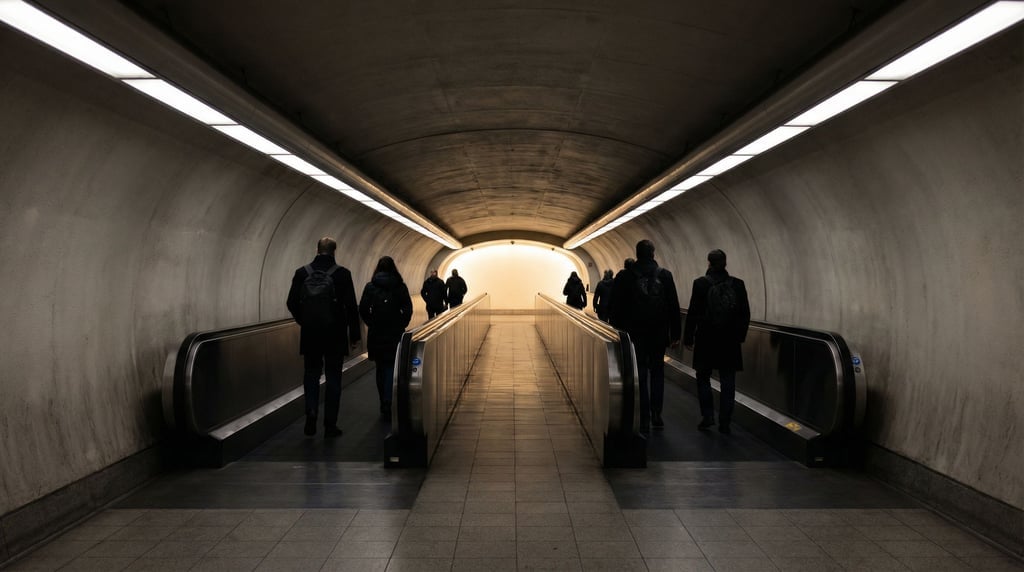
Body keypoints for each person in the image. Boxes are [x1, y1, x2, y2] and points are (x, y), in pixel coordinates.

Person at [286, 237, 361, 438]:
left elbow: (291, 302)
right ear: (334, 251)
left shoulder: (302, 273)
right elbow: (352, 307)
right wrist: (354, 335)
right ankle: (330, 425)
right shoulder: (343, 274)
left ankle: (311, 410)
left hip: (311, 334)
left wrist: (305, 321)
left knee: (311, 373)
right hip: (335, 334)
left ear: (317, 249)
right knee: (334, 376)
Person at [610, 241, 681, 433]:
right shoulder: (665, 275)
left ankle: (643, 415)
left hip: (635, 333)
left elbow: (616, 306)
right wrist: (675, 334)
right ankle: (657, 414)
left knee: (639, 372)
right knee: (657, 372)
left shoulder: (625, 276)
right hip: (658, 333)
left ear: (637, 254)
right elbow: (674, 306)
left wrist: (616, 330)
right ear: (653, 253)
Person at [683, 249, 751, 434]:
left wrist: (688, 337)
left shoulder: (700, 284)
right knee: (728, 380)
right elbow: (745, 314)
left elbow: (693, 313)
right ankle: (725, 421)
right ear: (725, 263)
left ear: (709, 263)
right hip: (729, 341)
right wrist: (740, 336)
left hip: (706, 339)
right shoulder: (738, 284)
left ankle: (708, 417)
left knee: (703, 377)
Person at [359, 256, 413, 418]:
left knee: (380, 368)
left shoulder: (370, 287)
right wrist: (401, 324)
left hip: (376, 333)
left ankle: (383, 400)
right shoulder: (400, 286)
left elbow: (362, 309)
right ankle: (389, 401)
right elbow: (408, 308)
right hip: (394, 333)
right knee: (390, 367)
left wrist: (372, 323)